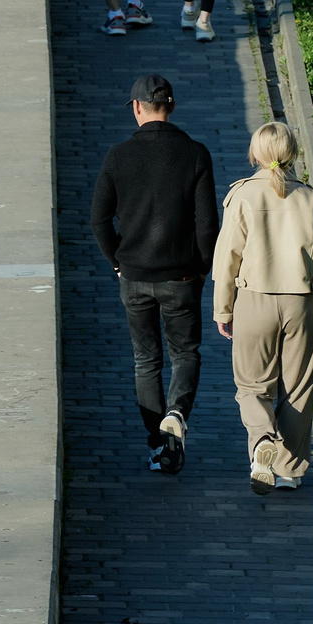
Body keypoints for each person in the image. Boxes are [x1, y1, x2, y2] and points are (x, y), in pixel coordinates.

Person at [211, 122, 313, 493]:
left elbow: (227, 258)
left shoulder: (241, 196)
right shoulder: (311, 199)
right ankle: (289, 471)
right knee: (300, 388)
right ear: (292, 155)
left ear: (255, 154)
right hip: (300, 304)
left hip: (254, 301)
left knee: (252, 386)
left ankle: (261, 442)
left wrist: (223, 309)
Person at [91, 73, 218, 473]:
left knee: (145, 360)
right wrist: (202, 269)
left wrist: (117, 261)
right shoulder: (196, 154)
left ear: (137, 108)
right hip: (181, 278)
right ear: (172, 107)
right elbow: (207, 226)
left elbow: (98, 220)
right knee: (185, 353)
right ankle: (177, 414)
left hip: (133, 277)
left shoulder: (117, 155)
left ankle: (158, 446)